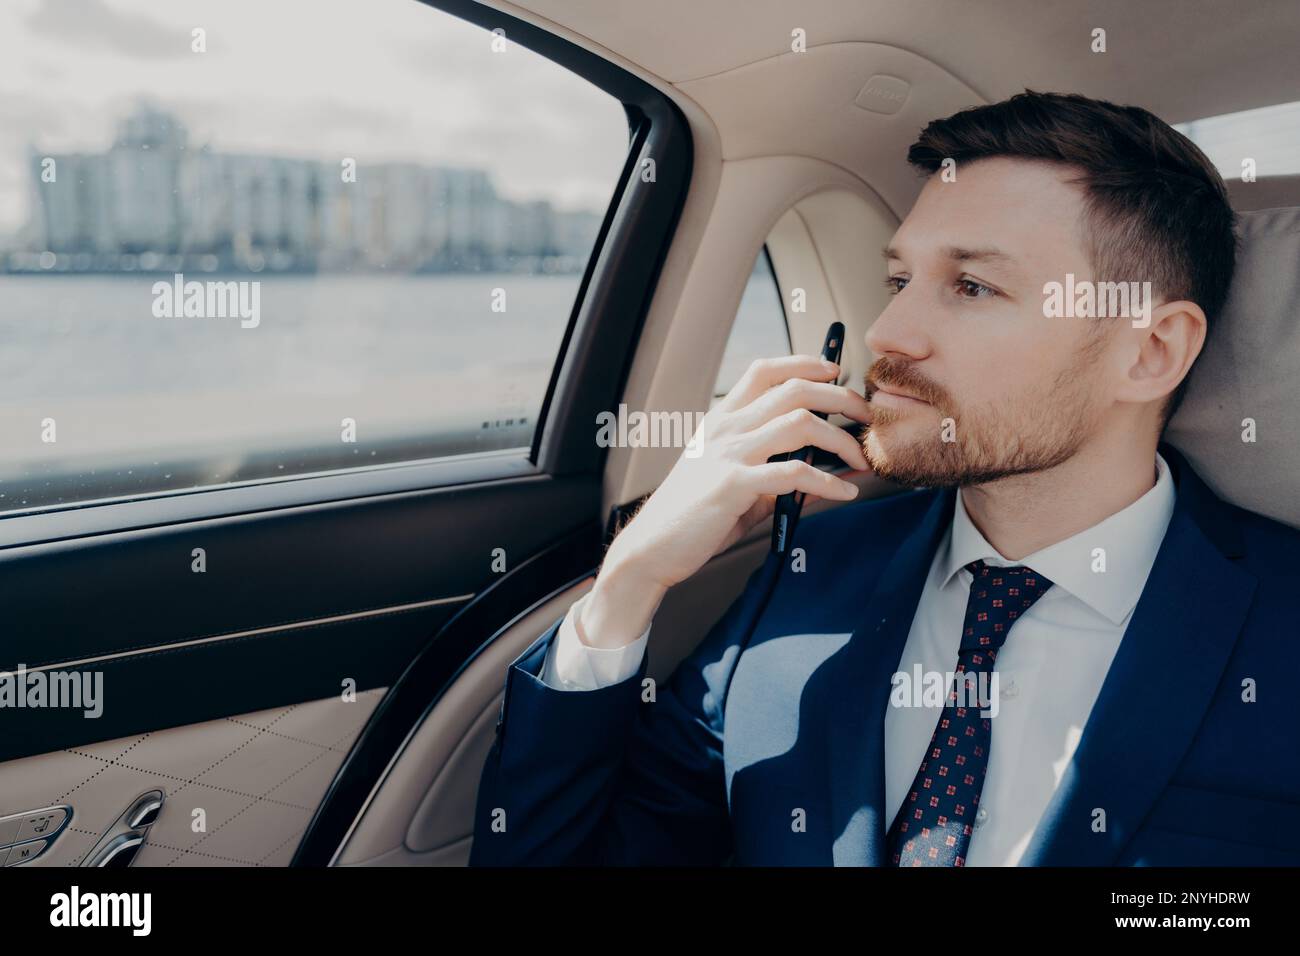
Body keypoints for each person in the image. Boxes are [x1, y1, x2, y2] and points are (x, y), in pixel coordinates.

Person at [469, 90, 1298, 866]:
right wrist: (631, 580)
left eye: (972, 286)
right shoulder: (802, 578)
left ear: (1149, 351)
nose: (887, 331)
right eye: (899, 279)